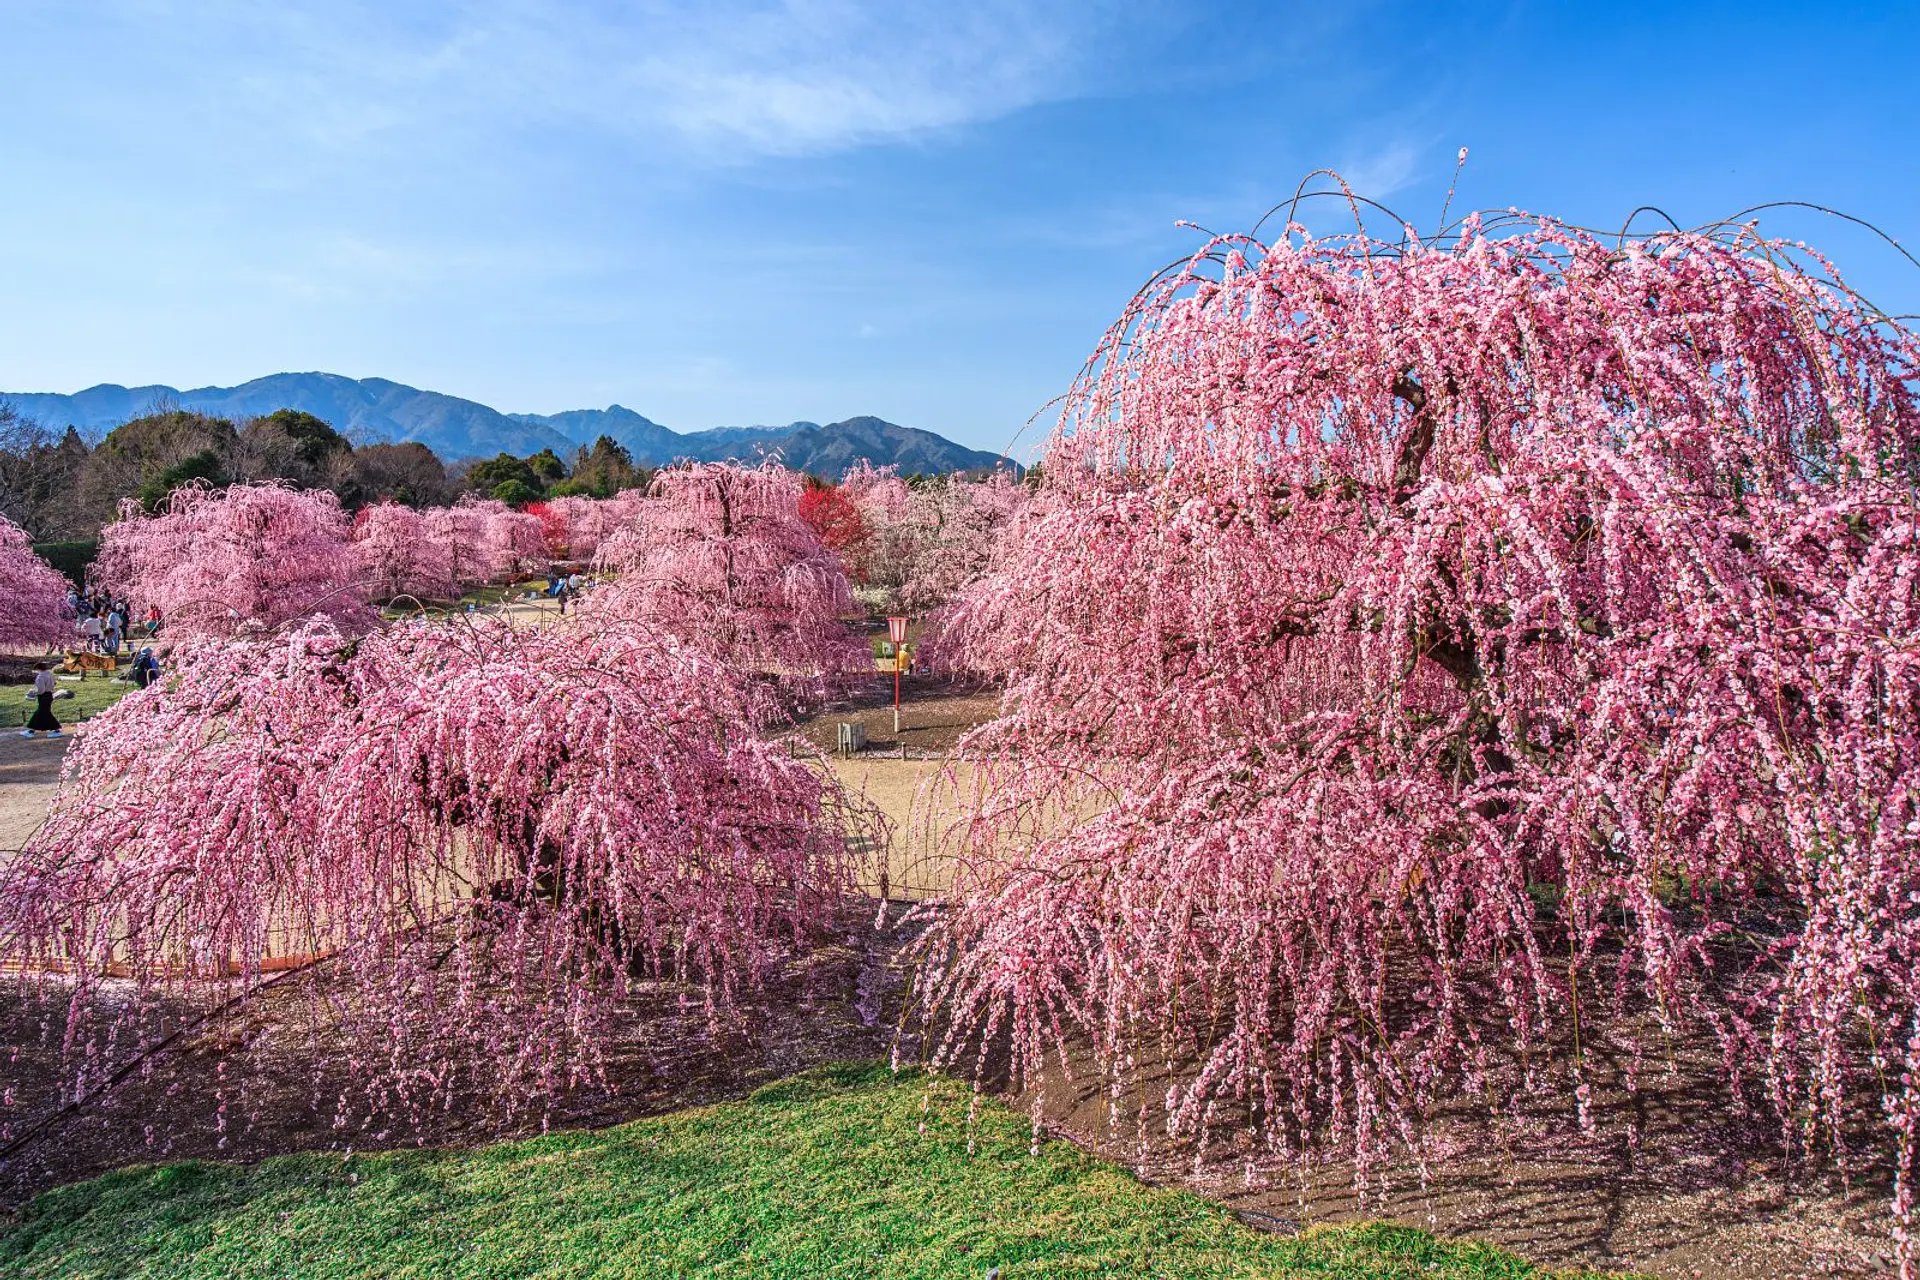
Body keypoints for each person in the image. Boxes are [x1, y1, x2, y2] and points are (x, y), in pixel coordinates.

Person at [21, 663, 61, 739]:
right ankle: (32, 731)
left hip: (43, 696)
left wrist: (33, 692)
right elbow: (54, 683)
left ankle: (32, 731)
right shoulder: (50, 674)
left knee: (41, 712)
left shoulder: (40, 677)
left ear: (38, 669)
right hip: (49, 695)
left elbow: (41, 690)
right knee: (44, 713)